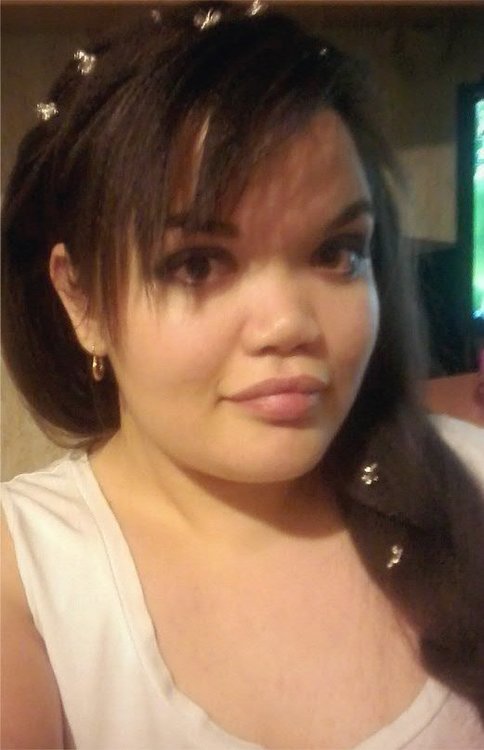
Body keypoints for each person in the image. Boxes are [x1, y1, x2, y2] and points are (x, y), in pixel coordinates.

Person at [1, 3, 483, 748]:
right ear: (82, 298)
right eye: (196, 264)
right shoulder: (27, 575)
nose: (289, 323)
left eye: (336, 253)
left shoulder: (471, 477)